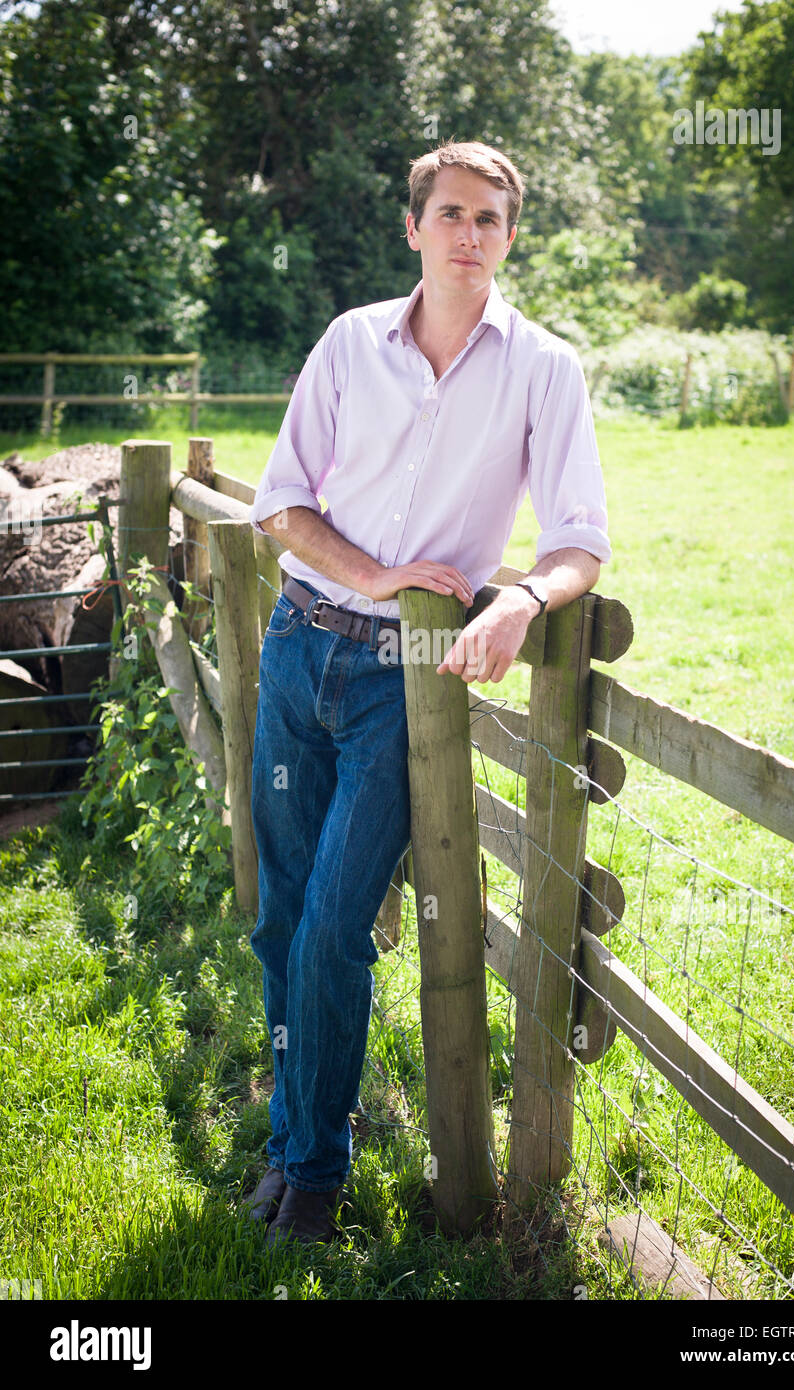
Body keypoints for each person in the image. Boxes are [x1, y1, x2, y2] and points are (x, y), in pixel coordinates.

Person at [242, 139, 611, 1246]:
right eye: (448, 213)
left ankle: (312, 1174)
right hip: (299, 644)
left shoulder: (545, 367)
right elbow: (280, 504)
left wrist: (519, 604)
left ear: (509, 234)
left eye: (489, 219)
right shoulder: (351, 343)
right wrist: (374, 573)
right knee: (278, 917)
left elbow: (582, 538)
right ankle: (287, 1138)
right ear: (413, 226)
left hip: (402, 679)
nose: (467, 234)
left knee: (331, 929)